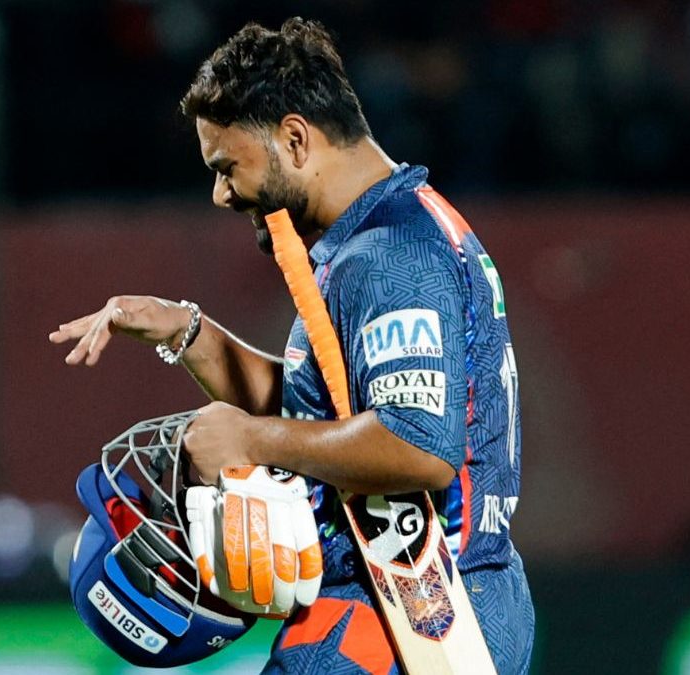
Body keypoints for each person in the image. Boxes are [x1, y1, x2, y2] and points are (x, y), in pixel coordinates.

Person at [50, 17, 534, 674]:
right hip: (418, 606)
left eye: (227, 167)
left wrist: (250, 441)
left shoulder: (389, 257)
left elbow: (418, 446)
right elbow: (331, 415)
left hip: (409, 616)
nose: (221, 194)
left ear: (296, 139)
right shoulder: (384, 235)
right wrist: (189, 333)